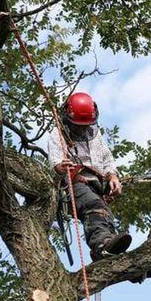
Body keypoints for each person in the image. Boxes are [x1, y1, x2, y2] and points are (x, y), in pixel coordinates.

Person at [47, 92, 132, 261]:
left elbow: (107, 158)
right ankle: (101, 245)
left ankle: (114, 252)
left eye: (85, 125)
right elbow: (56, 163)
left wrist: (113, 177)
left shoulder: (95, 135)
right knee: (93, 205)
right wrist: (62, 167)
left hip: (96, 183)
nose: (82, 129)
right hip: (73, 182)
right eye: (78, 125)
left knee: (104, 213)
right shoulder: (58, 134)